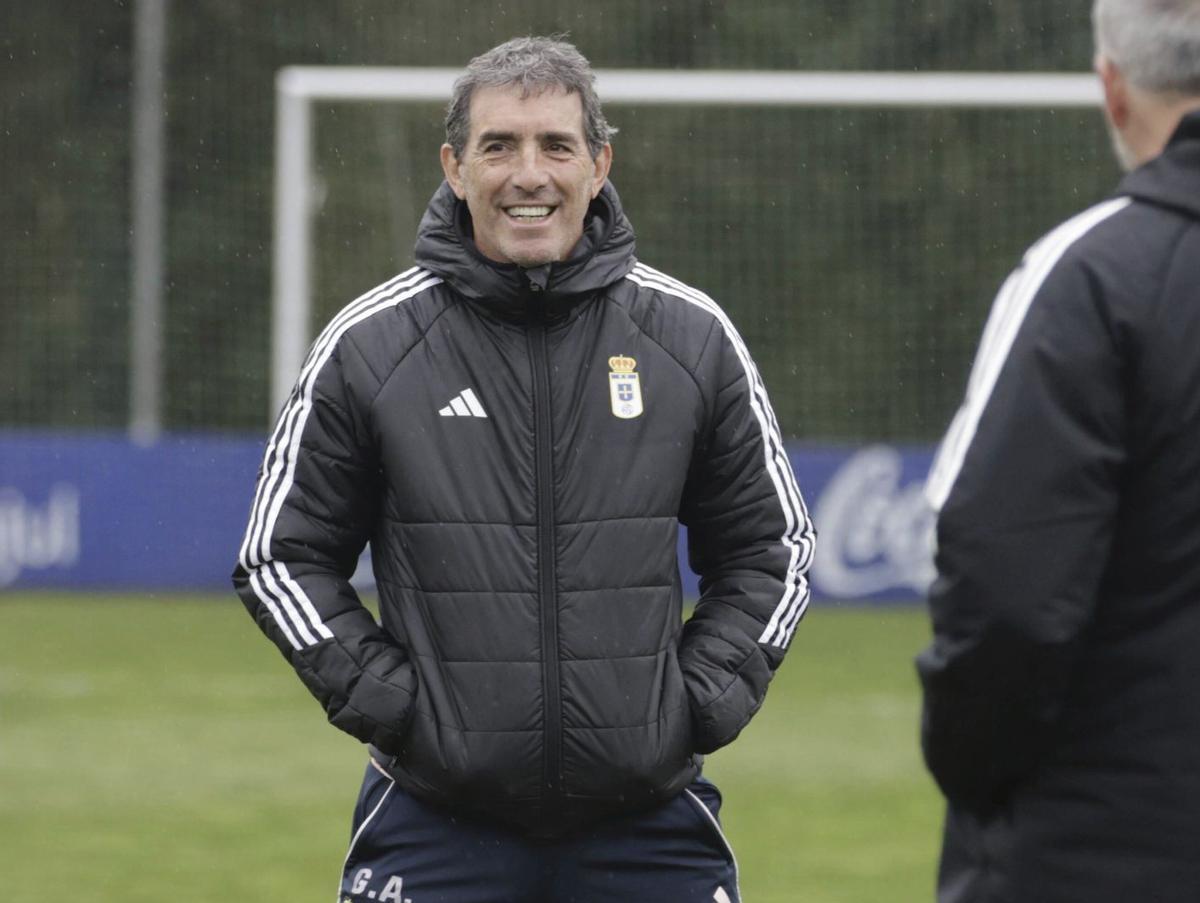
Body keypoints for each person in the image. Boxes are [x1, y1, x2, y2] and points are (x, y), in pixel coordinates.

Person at [233, 36, 814, 903]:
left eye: (556, 145)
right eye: (498, 146)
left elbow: (775, 548)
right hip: (434, 817)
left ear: (600, 163)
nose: (528, 174)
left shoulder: (690, 338)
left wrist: (693, 705)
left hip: (648, 822)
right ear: (455, 168)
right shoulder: (372, 345)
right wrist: (399, 709)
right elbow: (279, 554)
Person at [917, 1, 1200, 900]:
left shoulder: (1089, 280)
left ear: (1112, 88)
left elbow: (1005, 587)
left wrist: (976, 772)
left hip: (1103, 844)